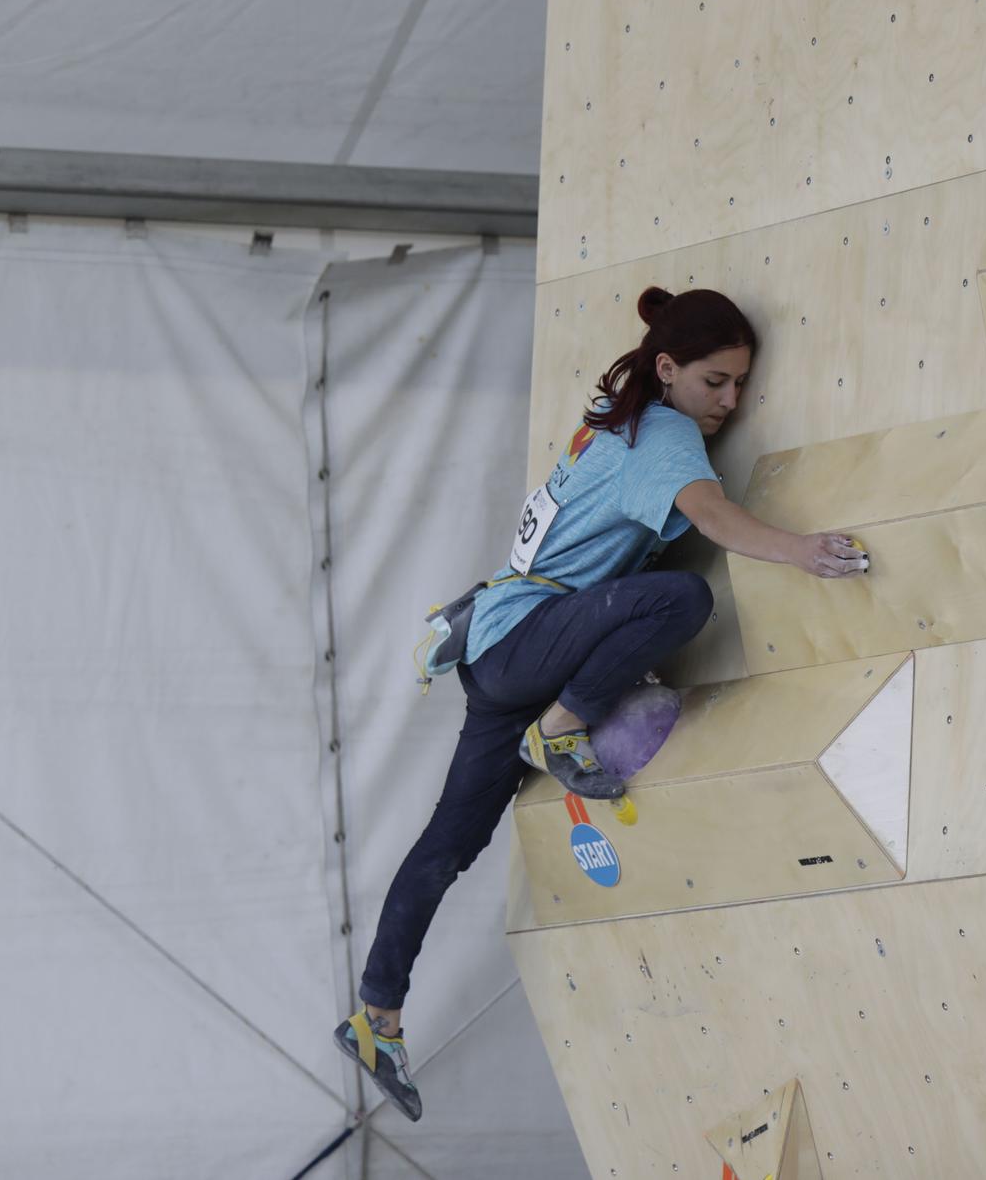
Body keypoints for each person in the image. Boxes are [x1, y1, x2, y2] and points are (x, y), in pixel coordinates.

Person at [333, 285, 867, 1122]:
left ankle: (376, 1016)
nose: (731, 401)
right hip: (523, 650)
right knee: (680, 601)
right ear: (667, 369)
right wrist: (803, 549)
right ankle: (563, 727)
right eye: (716, 382)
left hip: (501, 656)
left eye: (740, 385)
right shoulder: (662, 431)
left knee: (447, 845)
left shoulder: (613, 418)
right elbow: (712, 515)